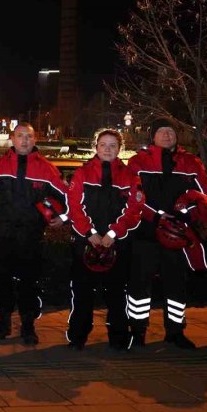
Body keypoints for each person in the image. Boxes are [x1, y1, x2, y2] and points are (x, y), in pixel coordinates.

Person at [127, 119, 207, 349]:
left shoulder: (191, 162)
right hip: (145, 233)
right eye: (161, 131)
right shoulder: (138, 161)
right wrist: (155, 217)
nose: (166, 135)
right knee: (139, 285)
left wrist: (190, 214)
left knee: (176, 284)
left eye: (170, 131)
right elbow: (131, 197)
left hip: (178, 234)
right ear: (152, 136)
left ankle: (175, 332)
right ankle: (137, 331)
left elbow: (206, 194)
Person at [0, 122, 68, 344]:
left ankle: (28, 326)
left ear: (34, 139)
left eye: (28, 136)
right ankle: (4, 322)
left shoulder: (47, 169)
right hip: (1, 235)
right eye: (20, 136)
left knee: (30, 283)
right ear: (12, 138)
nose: (24, 140)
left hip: (31, 236)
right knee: (1, 281)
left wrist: (64, 218)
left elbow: (68, 198)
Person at [67, 130, 143, 350]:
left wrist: (112, 233)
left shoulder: (130, 175)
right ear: (96, 147)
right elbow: (74, 206)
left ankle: (119, 339)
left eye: (112, 145)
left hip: (118, 243)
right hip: (86, 242)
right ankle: (78, 337)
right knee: (82, 293)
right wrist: (90, 233)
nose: (107, 149)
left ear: (119, 148)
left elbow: (134, 209)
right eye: (103, 145)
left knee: (117, 293)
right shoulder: (82, 173)